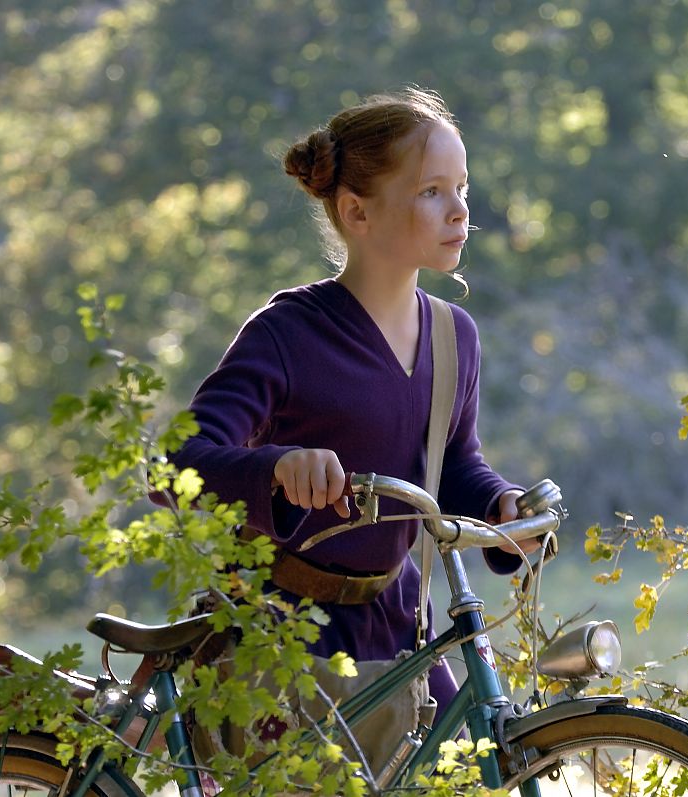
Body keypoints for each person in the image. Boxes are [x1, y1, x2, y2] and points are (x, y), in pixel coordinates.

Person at [167, 87, 531, 722]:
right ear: (357, 212)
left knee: (479, 758)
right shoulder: (287, 333)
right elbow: (175, 466)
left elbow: (451, 466)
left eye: (461, 189)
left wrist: (500, 503)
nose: (459, 212)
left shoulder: (455, 337)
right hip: (281, 636)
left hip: (397, 622)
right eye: (430, 192)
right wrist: (276, 468)